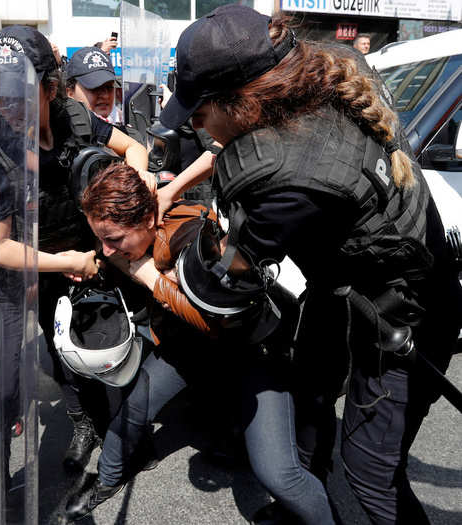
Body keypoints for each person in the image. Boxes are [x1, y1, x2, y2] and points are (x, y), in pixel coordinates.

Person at [158, 6, 462, 524]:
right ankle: (301, 505)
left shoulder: (286, 178)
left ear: (244, 101)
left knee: (370, 469)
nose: (193, 123)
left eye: (201, 110)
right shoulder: (330, 65)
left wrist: (163, 265)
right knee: (311, 391)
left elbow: (226, 283)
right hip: (346, 285)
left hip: (401, 314)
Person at [65, 163, 334, 524]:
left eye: (113, 239)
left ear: (147, 219)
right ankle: (108, 479)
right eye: (101, 238)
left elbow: (210, 319)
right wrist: (83, 263)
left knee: (278, 473)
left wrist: (149, 277)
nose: (108, 248)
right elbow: (104, 258)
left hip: (252, 351)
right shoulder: (127, 239)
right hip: (188, 347)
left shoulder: (191, 236)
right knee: (133, 409)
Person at [0, 25, 152, 474]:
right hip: (35, 264)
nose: (6, 106)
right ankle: (83, 424)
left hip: (90, 249)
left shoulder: (73, 116)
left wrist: (137, 185)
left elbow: (133, 148)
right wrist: (65, 263)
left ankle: (124, 426)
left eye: (18, 94)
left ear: (50, 89)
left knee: (109, 335)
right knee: (51, 357)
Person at [65, 47, 117, 122]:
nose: (105, 96)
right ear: (70, 93)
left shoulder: (125, 131)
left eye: (109, 87)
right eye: (95, 88)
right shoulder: (56, 132)